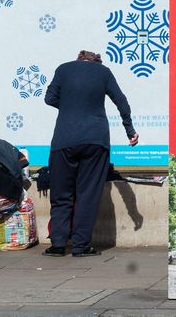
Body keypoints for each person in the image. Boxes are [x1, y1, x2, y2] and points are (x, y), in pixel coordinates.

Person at [43, 50, 138, 257]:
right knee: (87, 195)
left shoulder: (63, 69)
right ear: (96, 61)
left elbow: (49, 99)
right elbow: (121, 101)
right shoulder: (103, 72)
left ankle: (58, 245)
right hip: (95, 140)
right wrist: (129, 130)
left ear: (78, 58)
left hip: (63, 141)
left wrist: (70, 106)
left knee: (61, 195)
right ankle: (80, 246)